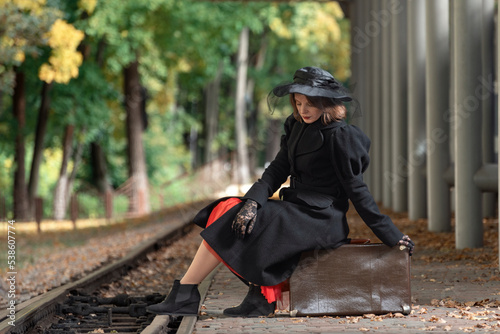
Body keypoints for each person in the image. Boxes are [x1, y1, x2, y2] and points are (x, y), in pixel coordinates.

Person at [146, 66, 414, 318]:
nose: (303, 109)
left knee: (244, 220)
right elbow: (276, 170)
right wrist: (252, 201)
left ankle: (190, 294)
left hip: (321, 219)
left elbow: (357, 190)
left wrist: (391, 235)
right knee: (227, 209)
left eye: (309, 104)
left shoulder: (341, 137)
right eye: (298, 103)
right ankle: (253, 297)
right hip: (297, 209)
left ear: (326, 103)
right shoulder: (296, 126)